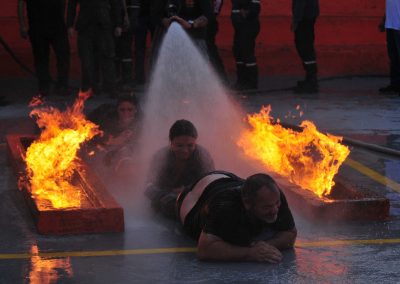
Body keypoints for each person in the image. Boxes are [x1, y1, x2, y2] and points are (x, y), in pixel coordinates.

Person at [177, 171, 297, 262]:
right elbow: (204, 250)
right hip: (195, 202)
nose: (275, 210)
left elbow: (290, 233)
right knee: (172, 203)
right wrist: (249, 253)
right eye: (267, 207)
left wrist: (268, 247)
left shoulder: (272, 196)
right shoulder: (225, 206)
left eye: (277, 204)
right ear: (247, 204)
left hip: (227, 178)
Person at [145, 119, 215, 219]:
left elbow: (210, 185)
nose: (185, 150)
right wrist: (168, 195)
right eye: (179, 145)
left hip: (194, 207)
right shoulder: (160, 157)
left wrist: (188, 191)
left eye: (190, 145)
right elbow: (148, 186)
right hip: (163, 206)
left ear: (195, 142)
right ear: (171, 143)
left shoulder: (203, 157)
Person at [67, 0, 123, 97]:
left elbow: (116, 4)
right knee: (87, 60)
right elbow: (72, 5)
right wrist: (69, 24)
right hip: (86, 26)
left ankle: (110, 87)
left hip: (103, 25)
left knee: (107, 59)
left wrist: (118, 24)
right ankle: (88, 89)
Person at [18, 0, 70, 96]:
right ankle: (44, 85)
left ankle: (62, 85)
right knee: (41, 57)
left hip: (56, 25)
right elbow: (21, 3)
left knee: (63, 55)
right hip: (38, 25)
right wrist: (22, 25)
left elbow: (63, 3)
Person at [88, 94, 141, 177]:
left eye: (130, 110)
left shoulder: (141, 121)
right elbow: (92, 136)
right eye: (122, 110)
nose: (126, 113)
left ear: (135, 110)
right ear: (117, 110)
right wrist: (111, 141)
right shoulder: (106, 118)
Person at [231, 0, 261, 91]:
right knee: (238, 52)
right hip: (239, 27)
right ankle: (241, 81)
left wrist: (244, 14)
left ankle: (251, 83)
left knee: (247, 52)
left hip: (248, 26)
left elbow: (255, 9)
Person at [291, 0, 319, 94]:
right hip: (308, 18)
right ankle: (310, 78)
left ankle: (311, 80)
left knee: (304, 47)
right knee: (306, 47)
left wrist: (296, 20)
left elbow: (300, 4)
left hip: (304, 19)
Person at [378, 0, 400, 95]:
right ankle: (395, 85)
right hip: (391, 25)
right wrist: (384, 20)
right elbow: (390, 6)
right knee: (393, 57)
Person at [207, 0, 228, 84]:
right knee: (211, 50)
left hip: (209, 23)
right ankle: (222, 79)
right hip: (210, 21)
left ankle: (221, 79)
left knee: (210, 50)